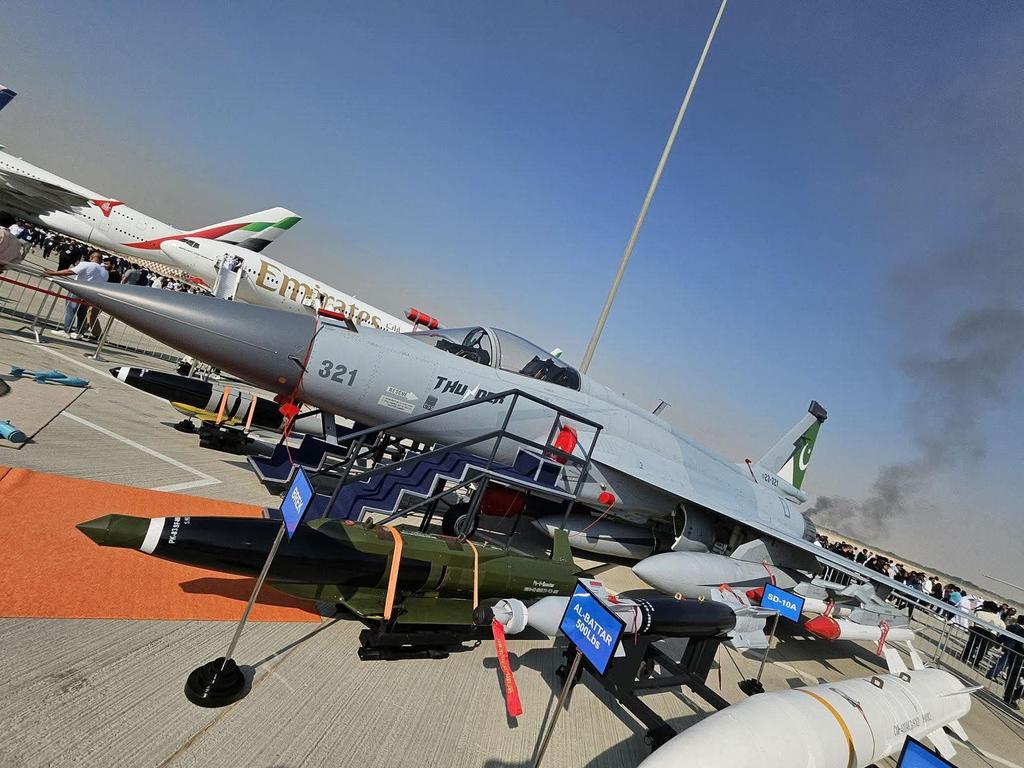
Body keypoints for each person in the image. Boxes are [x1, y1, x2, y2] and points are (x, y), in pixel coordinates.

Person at [44, 251, 108, 337]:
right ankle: (79, 332)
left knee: (71, 310)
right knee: (82, 312)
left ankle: (67, 330)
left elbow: (70, 272)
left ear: (91, 258)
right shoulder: (105, 272)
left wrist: (52, 273)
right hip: (90, 294)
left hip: (78, 290)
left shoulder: (86, 264)